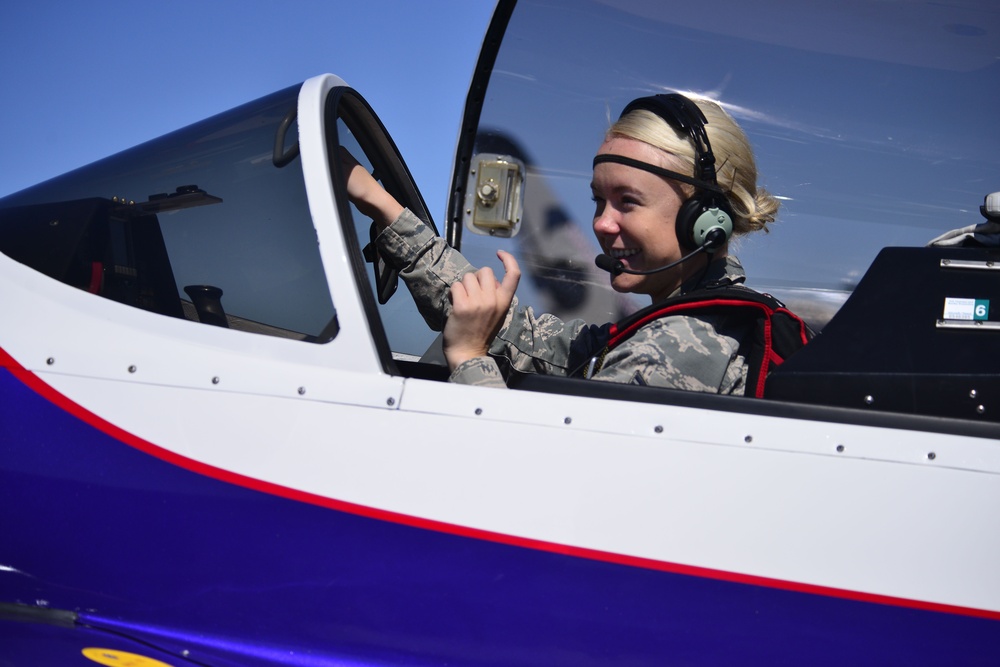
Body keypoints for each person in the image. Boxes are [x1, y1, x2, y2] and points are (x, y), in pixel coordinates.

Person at [343, 93, 781, 394]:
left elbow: (549, 483)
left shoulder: (678, 346)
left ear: (705, 219)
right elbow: (528, 340)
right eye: (598, 201)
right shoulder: (675, 322)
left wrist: (467, 357)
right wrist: (383, 206)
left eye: (628, 202)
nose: (602, 224)